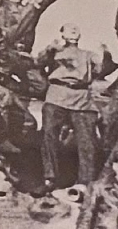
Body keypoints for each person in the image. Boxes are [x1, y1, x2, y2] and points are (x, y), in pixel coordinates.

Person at [38, 23, 118, 193]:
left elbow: (105, 69)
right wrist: (50, 49)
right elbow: (39, 62)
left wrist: (107, 54)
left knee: (87, 140)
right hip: (57, 95)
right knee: (48, 135)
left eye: (76, 28)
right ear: (62, 34)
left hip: (82, 98)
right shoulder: (55, 52)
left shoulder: (88, 55)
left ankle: (85, 182)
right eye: (69, 28)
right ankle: (50, 178)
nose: (74, 30)